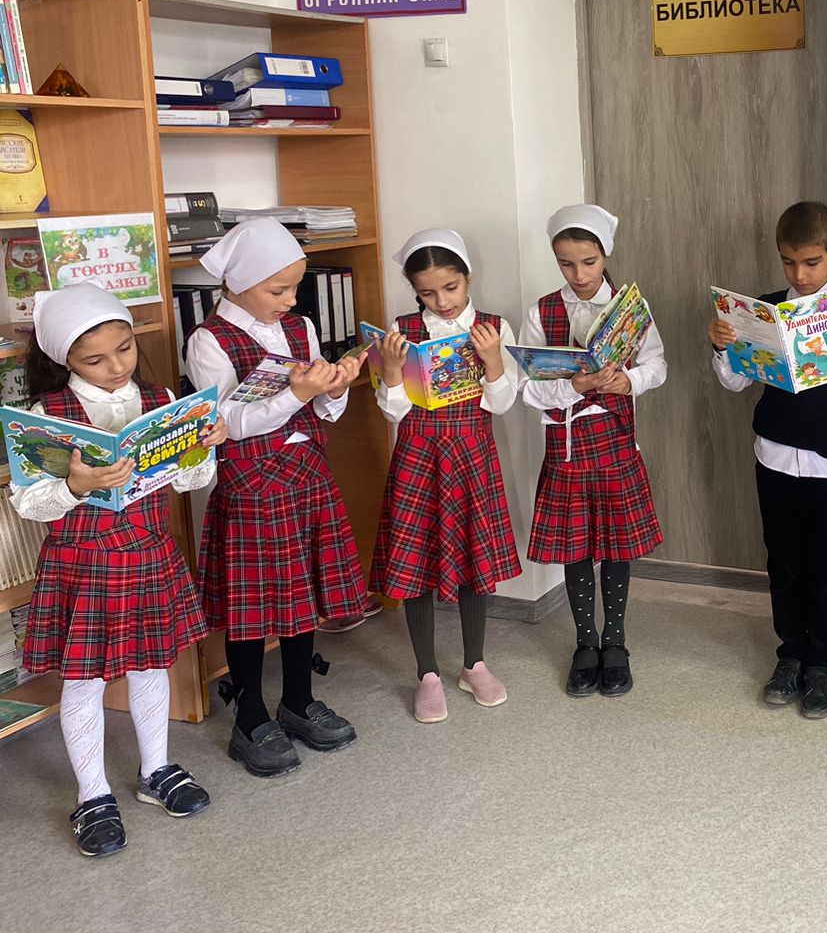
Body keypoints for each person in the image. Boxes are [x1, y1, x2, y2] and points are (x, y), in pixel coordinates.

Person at [13, 284, 226, 857]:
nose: (115, 367)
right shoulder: (46, 415)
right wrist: (75, 484)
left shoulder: (161, 399)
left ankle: (156, 770)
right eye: (94, 360)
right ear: (65, 360)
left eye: (125, 349)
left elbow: (190, 481)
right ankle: (92, 795)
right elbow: (29, 504)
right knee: (82, 680)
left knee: (152, 665)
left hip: (149, 553)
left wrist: (203, 447)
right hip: (82, 562)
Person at [186, 218, 366, 777]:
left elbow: (323, 411)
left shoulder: (300, 327)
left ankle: (297, 700)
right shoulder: (209, 340)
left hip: (307, 474)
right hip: (252, 484)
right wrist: (295, 395)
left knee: (300, 595)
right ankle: (250, 719)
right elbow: (228, 424)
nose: (290, 301)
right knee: (250, 608)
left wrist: (333, 390)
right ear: (239, 283)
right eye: (278, 290)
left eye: (295, 288)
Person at [707, 201, 827, 718]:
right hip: (776, 455)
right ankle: (790, 655)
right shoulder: (762, 310)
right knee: (783, 563)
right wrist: (722, 348)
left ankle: (822, 663)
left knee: (826, 566)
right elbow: (735, 382)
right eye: (788, 262)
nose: (799, 275)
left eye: (811, 262)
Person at [371, 228, 523, 723]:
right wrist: (392, 371)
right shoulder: (400, 331)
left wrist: (494, 360)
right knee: (416, 561)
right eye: (427, 293)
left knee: (475, 558)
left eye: (450, 288)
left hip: (472, 453)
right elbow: (393, 411)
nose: (441, 301)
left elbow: (503, 403)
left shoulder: (494, 327)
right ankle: (427, 673)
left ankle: (474, 663)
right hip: (418, 454)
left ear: (467, 277)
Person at [518, 204, 665, 698]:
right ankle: (585, 643)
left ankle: (615, 642)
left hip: (616, 441)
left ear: (606, 256)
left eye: (589, 262)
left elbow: (658, 366)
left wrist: (629, 381)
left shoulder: (631, 308)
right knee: (575, 546)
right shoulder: (542, 311)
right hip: (566, 447)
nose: (578, 274)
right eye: (566, 263)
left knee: (616, 546)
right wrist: (575, 386)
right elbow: (528, 388)